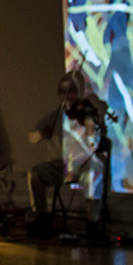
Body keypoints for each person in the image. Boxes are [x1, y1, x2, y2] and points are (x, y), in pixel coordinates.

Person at [29, 70, 111, 240]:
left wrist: (94, 112)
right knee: (35, 173)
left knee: (93, 172)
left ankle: (92, 223)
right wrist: (41, 134)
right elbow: (32, 137)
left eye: (73, 90)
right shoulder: (54, 116)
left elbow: (101, 110)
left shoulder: (87, 110)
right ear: (59, 94)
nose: (69, 95)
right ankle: (42, 215)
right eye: (64, 91)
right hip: (61, 165)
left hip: (83, 164)